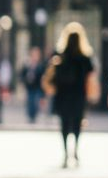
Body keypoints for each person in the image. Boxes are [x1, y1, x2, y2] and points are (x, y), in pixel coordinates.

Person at [44, 21, 96, 168]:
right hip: (79, 95)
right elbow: (90, 77)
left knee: (65, 124)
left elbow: (53, 77)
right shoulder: (85, 58)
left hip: (63, 96)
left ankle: (66, 153)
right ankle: (76, 152)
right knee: (77, 124)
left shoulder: (60, 56)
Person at [20, 46, 46, 124]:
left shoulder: (41, 66)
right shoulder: (27, 65)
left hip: (37, 87)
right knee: (30, 101)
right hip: (29, 87)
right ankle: (31, 116)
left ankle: (34, 115)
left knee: (36, 100)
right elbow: (22, 74)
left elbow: (43, 77)